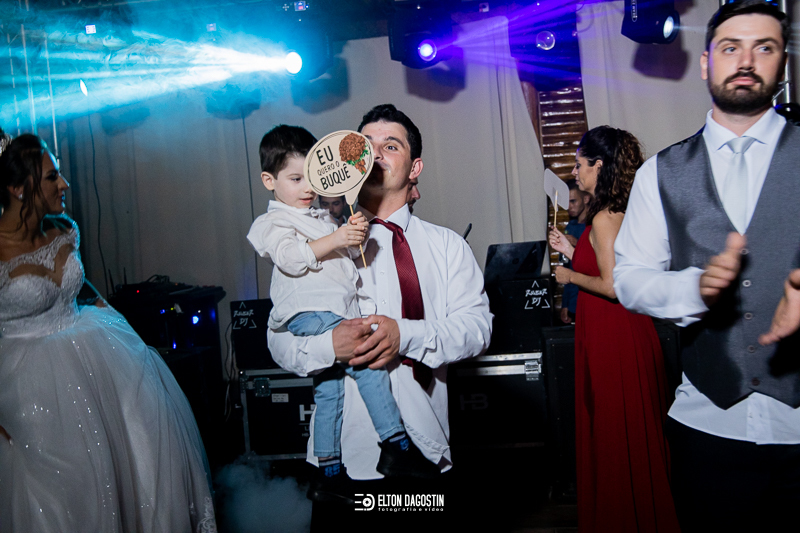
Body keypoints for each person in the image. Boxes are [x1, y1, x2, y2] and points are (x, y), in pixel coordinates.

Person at [612, 1, 800, 530]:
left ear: (783, 64)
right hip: (708, 430)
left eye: (764, 47)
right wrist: (693, 290)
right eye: (730, 47)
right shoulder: (659, 173)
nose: (746, 61)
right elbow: (630, 279)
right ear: (706, 63)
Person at [266, 105, 492, 512]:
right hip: (342, 464)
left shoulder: (447, 247)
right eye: (364, 146)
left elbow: (477, 329)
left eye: (391, 145)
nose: (374, 154)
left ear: (415, 167)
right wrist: (328, 346)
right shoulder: (315, 245)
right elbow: (278, 341)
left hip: (423, 450)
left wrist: (405, 335)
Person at [0, 132, 216, 532]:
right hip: (28, 381)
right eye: (51, 177)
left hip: (96, 353)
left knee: (137, 455)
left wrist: (131, 342)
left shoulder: (64, 228)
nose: (64, 184)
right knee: (66, 492)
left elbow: (84, 290)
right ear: (18, 188)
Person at [246, 125, 439, 505]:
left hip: (329, 310)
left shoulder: (320, 217)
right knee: (367, 363)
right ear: (269, 181)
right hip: (310, 313)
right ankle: (396, 446)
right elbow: (292, 258)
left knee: (329, 393)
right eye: (295, 179)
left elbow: (343, 260)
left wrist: (352, 236)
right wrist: (336, 238)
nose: (306, 188)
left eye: (310, 178)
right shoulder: (272, 222)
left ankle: (328, 474)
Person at [548, 126, 679, 532]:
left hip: (615, 337)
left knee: (615, 432)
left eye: (579, 165)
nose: (575, 173)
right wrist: (572, 249)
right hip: (615, 333)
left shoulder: (605, 217)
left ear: (599, 166)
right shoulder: (615, 212)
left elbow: (613, 285)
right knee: (621, 433)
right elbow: (609, 263)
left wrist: (569, 276)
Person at [559, 180, 590, 324]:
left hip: (591, 296)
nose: (569, 206)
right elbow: (567, 268)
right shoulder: (570, 228)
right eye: (566, 202)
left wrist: (578, 245)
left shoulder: (595, 225)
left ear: (586, 199)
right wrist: (565, 304)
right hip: (574, 302)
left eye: (573, 201)